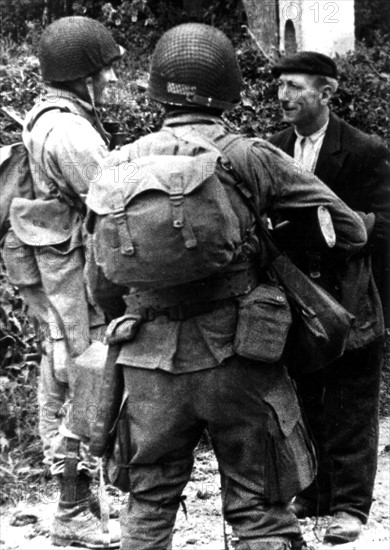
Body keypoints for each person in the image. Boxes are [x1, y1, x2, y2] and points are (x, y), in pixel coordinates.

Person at [86, 24, 368, 550]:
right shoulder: (250, 155)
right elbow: (347, 228)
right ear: (227, 87)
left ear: (157, 88)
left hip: (147, 362)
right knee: (259, 510)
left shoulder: (117, 163)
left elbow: (99, 279)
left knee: (147, 507)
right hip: (239, 354)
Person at [2, 16, 126, 548]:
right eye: (106, 70)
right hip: (74, 273)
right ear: (82, 76)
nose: (113, 82)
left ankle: (75, 498)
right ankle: (71, 507)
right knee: (85, 375)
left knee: (66, 369)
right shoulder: (69, 131)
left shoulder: (50, 116)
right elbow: (114, 199)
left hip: (58, 270)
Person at [269, 51, 390, 544]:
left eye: (295, 86)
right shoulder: (273, 148)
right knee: (305, 398)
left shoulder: (364, 150)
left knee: (351, 402)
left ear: (327, 92)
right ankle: (315, 492)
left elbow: (384, 228)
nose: (283, 96)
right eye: (279, 86)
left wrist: (346, 232)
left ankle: (350, 506)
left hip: (351, 296)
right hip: (297, 297)